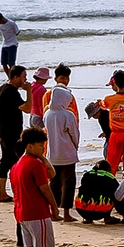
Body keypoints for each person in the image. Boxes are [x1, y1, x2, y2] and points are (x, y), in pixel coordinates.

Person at [11, 127, 64, 247]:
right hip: (37, 212)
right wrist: (54, 207)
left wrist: (41, 156)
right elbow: (45, 187)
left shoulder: (17, 165)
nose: (43, 148)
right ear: (30, 146)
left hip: (22, 212)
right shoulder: (34, 164)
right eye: (40, 145)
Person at [43, 66, 81, 215]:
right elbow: (74, 134)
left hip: (53, 153)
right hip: (67, 154)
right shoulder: (68, 114)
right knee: (69, 182)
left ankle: (54, 211)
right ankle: (66, 213)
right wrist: (75, 146)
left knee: (54, 182)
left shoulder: (48, 114)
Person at [0, 65, 29, 203]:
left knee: (5, 161)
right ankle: (15, 191)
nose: (25, 80)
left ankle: (3, 192)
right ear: (15, 77)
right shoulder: (11, 91)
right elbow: (28, 108)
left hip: (3, 131)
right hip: (10, 132)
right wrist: (29, 91)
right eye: (23, 77)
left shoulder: (2, 89)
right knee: (14, 162)